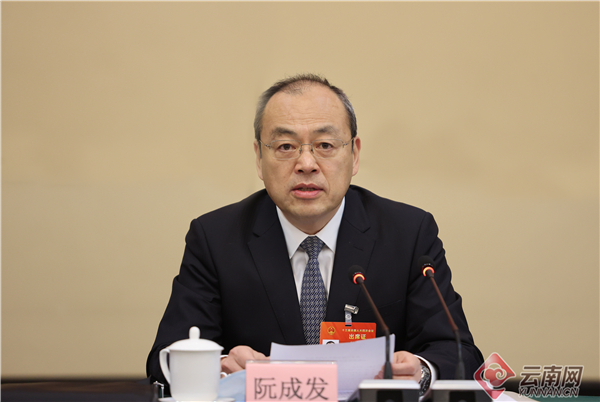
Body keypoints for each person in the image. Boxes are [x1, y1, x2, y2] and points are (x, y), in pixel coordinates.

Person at [146, 74, 483, 395]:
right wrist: (217, 369)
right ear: (259, 158)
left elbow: (459, 352)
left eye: (324, 144)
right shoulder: (216, 238)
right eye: (285, 146)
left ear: (354, 155)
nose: (306, 163)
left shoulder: (408, 234)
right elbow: (164, 360)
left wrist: (421, 372)